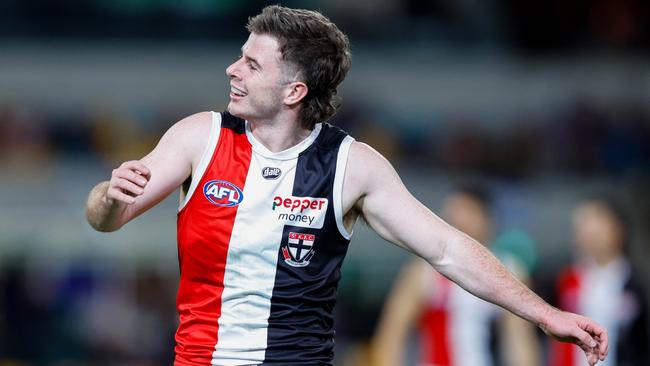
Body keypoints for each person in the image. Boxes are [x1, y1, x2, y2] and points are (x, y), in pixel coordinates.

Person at [85, 5, 609, 366]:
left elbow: (448, 249)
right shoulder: (199, 136)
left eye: (250, 63)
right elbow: (104, 220)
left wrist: (545, 313)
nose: (231, 69)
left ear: (294, 90)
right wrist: (109, 196)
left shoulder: (351, 166)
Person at [371, 184, 540, 366]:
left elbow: (519, 343)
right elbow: (391, 335)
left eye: (467, 212)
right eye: (453, 213)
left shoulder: (508, 271)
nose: (457, 219)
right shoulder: (424, 270)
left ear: (487, 220)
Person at [550, 197, 648, 366]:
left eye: (597, 220)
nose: (589, 230)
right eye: (583, 223)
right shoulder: (565, 279)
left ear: (618, 229)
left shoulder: (636, 285)